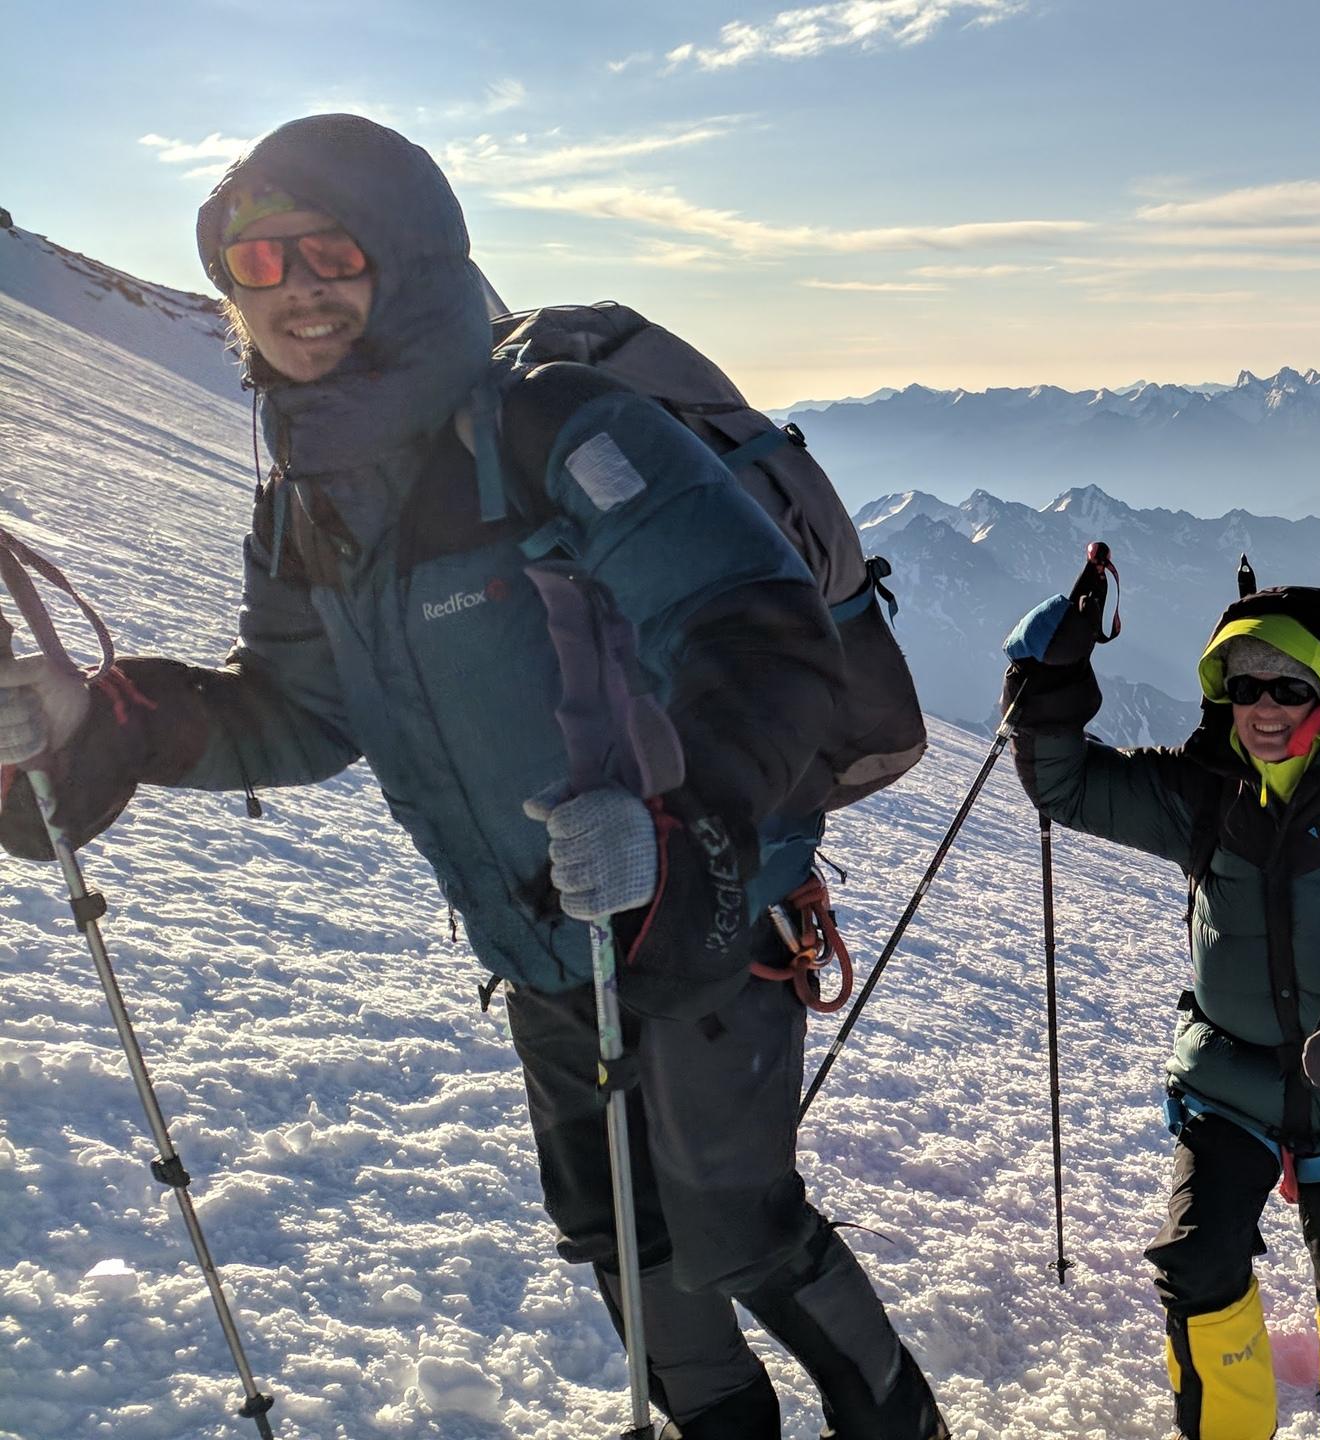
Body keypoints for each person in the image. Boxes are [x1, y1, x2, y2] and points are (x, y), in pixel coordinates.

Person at [0, 115, 944, 1440]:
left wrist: (691, 832)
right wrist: (107, 719)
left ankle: (904, 1425)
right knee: (625, 1239)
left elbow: (753, 625)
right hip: (546, 943)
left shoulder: (555, 429)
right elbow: (295, 717)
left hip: (707, 917)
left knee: (736, 1228)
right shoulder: (308, 503)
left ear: (414, 261)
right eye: (254, 264)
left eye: (329, 250)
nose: (295, 289)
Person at [1001, 581, 1320, 1440]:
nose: (1263, 708)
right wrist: (1047, 682)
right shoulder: (1206, 791)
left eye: (1290, 687)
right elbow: (1070, 787)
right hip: (1229, 1080)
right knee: (1197, 1260)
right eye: (1244, 686)